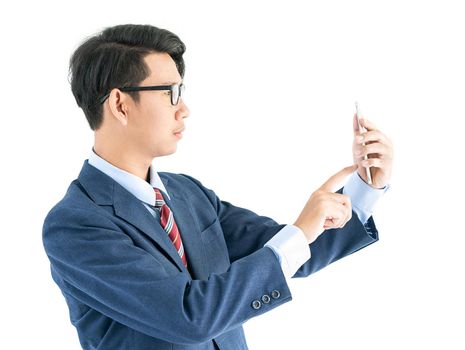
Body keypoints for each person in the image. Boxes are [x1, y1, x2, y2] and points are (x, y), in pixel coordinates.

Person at [42, 24, 393, 350]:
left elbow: (287, 254)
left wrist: (363, 188)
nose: (184, 110)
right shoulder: (75, 225)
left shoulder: (187, 194)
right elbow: (188, 316)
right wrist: (300, 231)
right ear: (120, 104)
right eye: (170, 93)